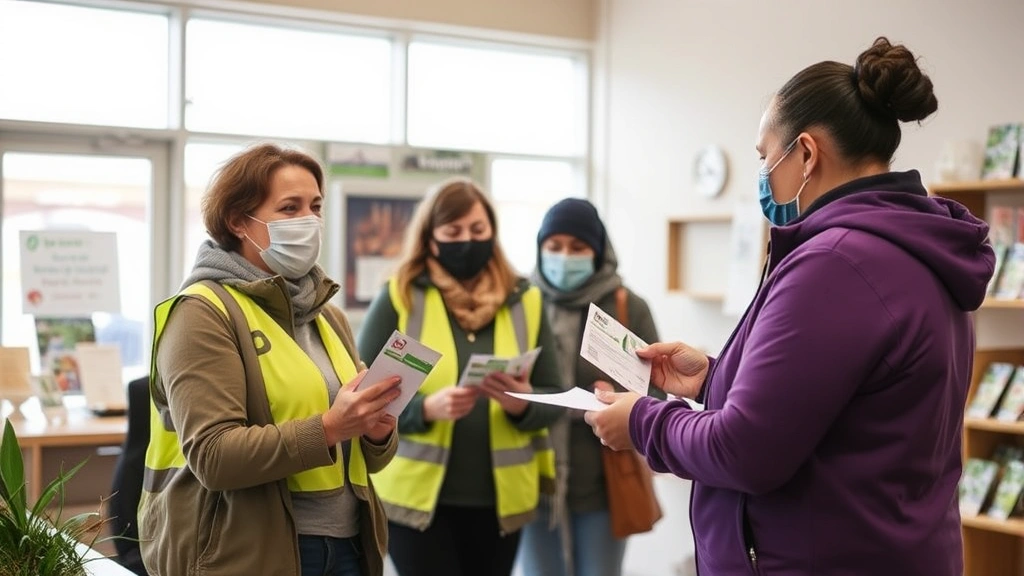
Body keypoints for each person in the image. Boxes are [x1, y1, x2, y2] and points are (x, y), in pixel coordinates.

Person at [585, 37, 995, 575]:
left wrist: (642, 422)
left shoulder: (837, 263)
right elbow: (837, 402)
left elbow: (744, 451)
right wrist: (715, 379)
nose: (763, 173)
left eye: (764, 156)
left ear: (806, 153)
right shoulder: (914, 247)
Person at [138, 143, 401, 576]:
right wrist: (331, 426)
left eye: (315, 206)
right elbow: (214, 457)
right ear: (238, 221)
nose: (309, 220)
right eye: (289, 208)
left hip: (348, 545)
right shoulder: (202, 312)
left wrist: (375, 430)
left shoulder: (327, 315)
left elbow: (367, 460)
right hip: (250, 551)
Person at [356, 178, 564, 576]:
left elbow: (553, 396)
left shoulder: (526, 299)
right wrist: (424, 410)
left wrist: (522, 404)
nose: (467, 241)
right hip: (415, 504)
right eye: (453, 232)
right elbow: (360, 398)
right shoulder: (400, 295)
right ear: (430, 240)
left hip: (501, 504)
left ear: (493, 233)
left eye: (477, 229)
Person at [517, 198, 662, 576]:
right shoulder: (521, 304)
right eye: (554, 246)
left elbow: (658, 394)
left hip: (603, 483)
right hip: (532, 478)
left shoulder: (628, 307)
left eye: (578, 247)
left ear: (597, 251)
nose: (564, 257)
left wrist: (622, 398)